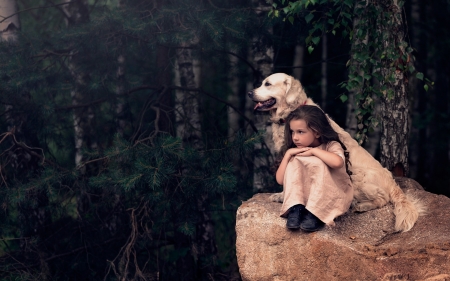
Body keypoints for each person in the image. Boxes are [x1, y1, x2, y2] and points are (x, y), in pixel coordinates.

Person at [275, 105, 353, 232]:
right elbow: (280, 180)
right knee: (296, 161)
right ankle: (296, 207)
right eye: (292, 131)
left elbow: (338, 162)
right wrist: (288, 154)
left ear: (316, 132)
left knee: (317, 162)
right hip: (304, 199)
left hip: (329, 196)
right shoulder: (295, 150)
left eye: (300, 132)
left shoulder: (331, 145)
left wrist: (313, 152)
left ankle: (316, 213)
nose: (295, 137)